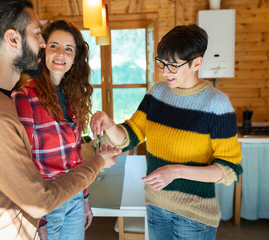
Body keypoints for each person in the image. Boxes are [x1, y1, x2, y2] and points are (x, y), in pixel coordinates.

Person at [0, 1, 121, 239]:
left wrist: (83, 197)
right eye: (39, 33)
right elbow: (39, 201)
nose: (43, 44)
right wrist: (98, 162)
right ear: (13, 39)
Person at [90, 24, 242, 240]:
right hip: (155, 206)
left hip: (194, 216)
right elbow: (130, 136)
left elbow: (229, 170)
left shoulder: (216, 104)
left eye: (173, 66)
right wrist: (110, 125)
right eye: (162, 62)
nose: (164, 71)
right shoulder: (158, 93)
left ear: (196, 63)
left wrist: (176, 171)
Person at [12, 20, 94, 240]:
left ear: (75, 58)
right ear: (42, 50)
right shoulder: (24, 98)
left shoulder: (71, 97)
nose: (61, 54)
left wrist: (84, 199)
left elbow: (75, 157)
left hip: (75, 197)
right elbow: (22, 164)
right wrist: (37, 219)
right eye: (54, 46)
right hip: (48, 204)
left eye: (69, 49)